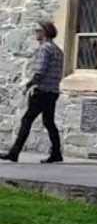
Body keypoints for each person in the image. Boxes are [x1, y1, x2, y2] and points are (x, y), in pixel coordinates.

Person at [0, 22, 64, 164]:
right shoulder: (58, 50)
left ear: (45, 32)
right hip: (53, 91)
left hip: (42, 92)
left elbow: (40, 72)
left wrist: (28, 85)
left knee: (27, 120)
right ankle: (56, 153)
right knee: (49, 122)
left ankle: (14, 153)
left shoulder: (44, 49)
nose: (36, 33)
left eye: (38, 30)